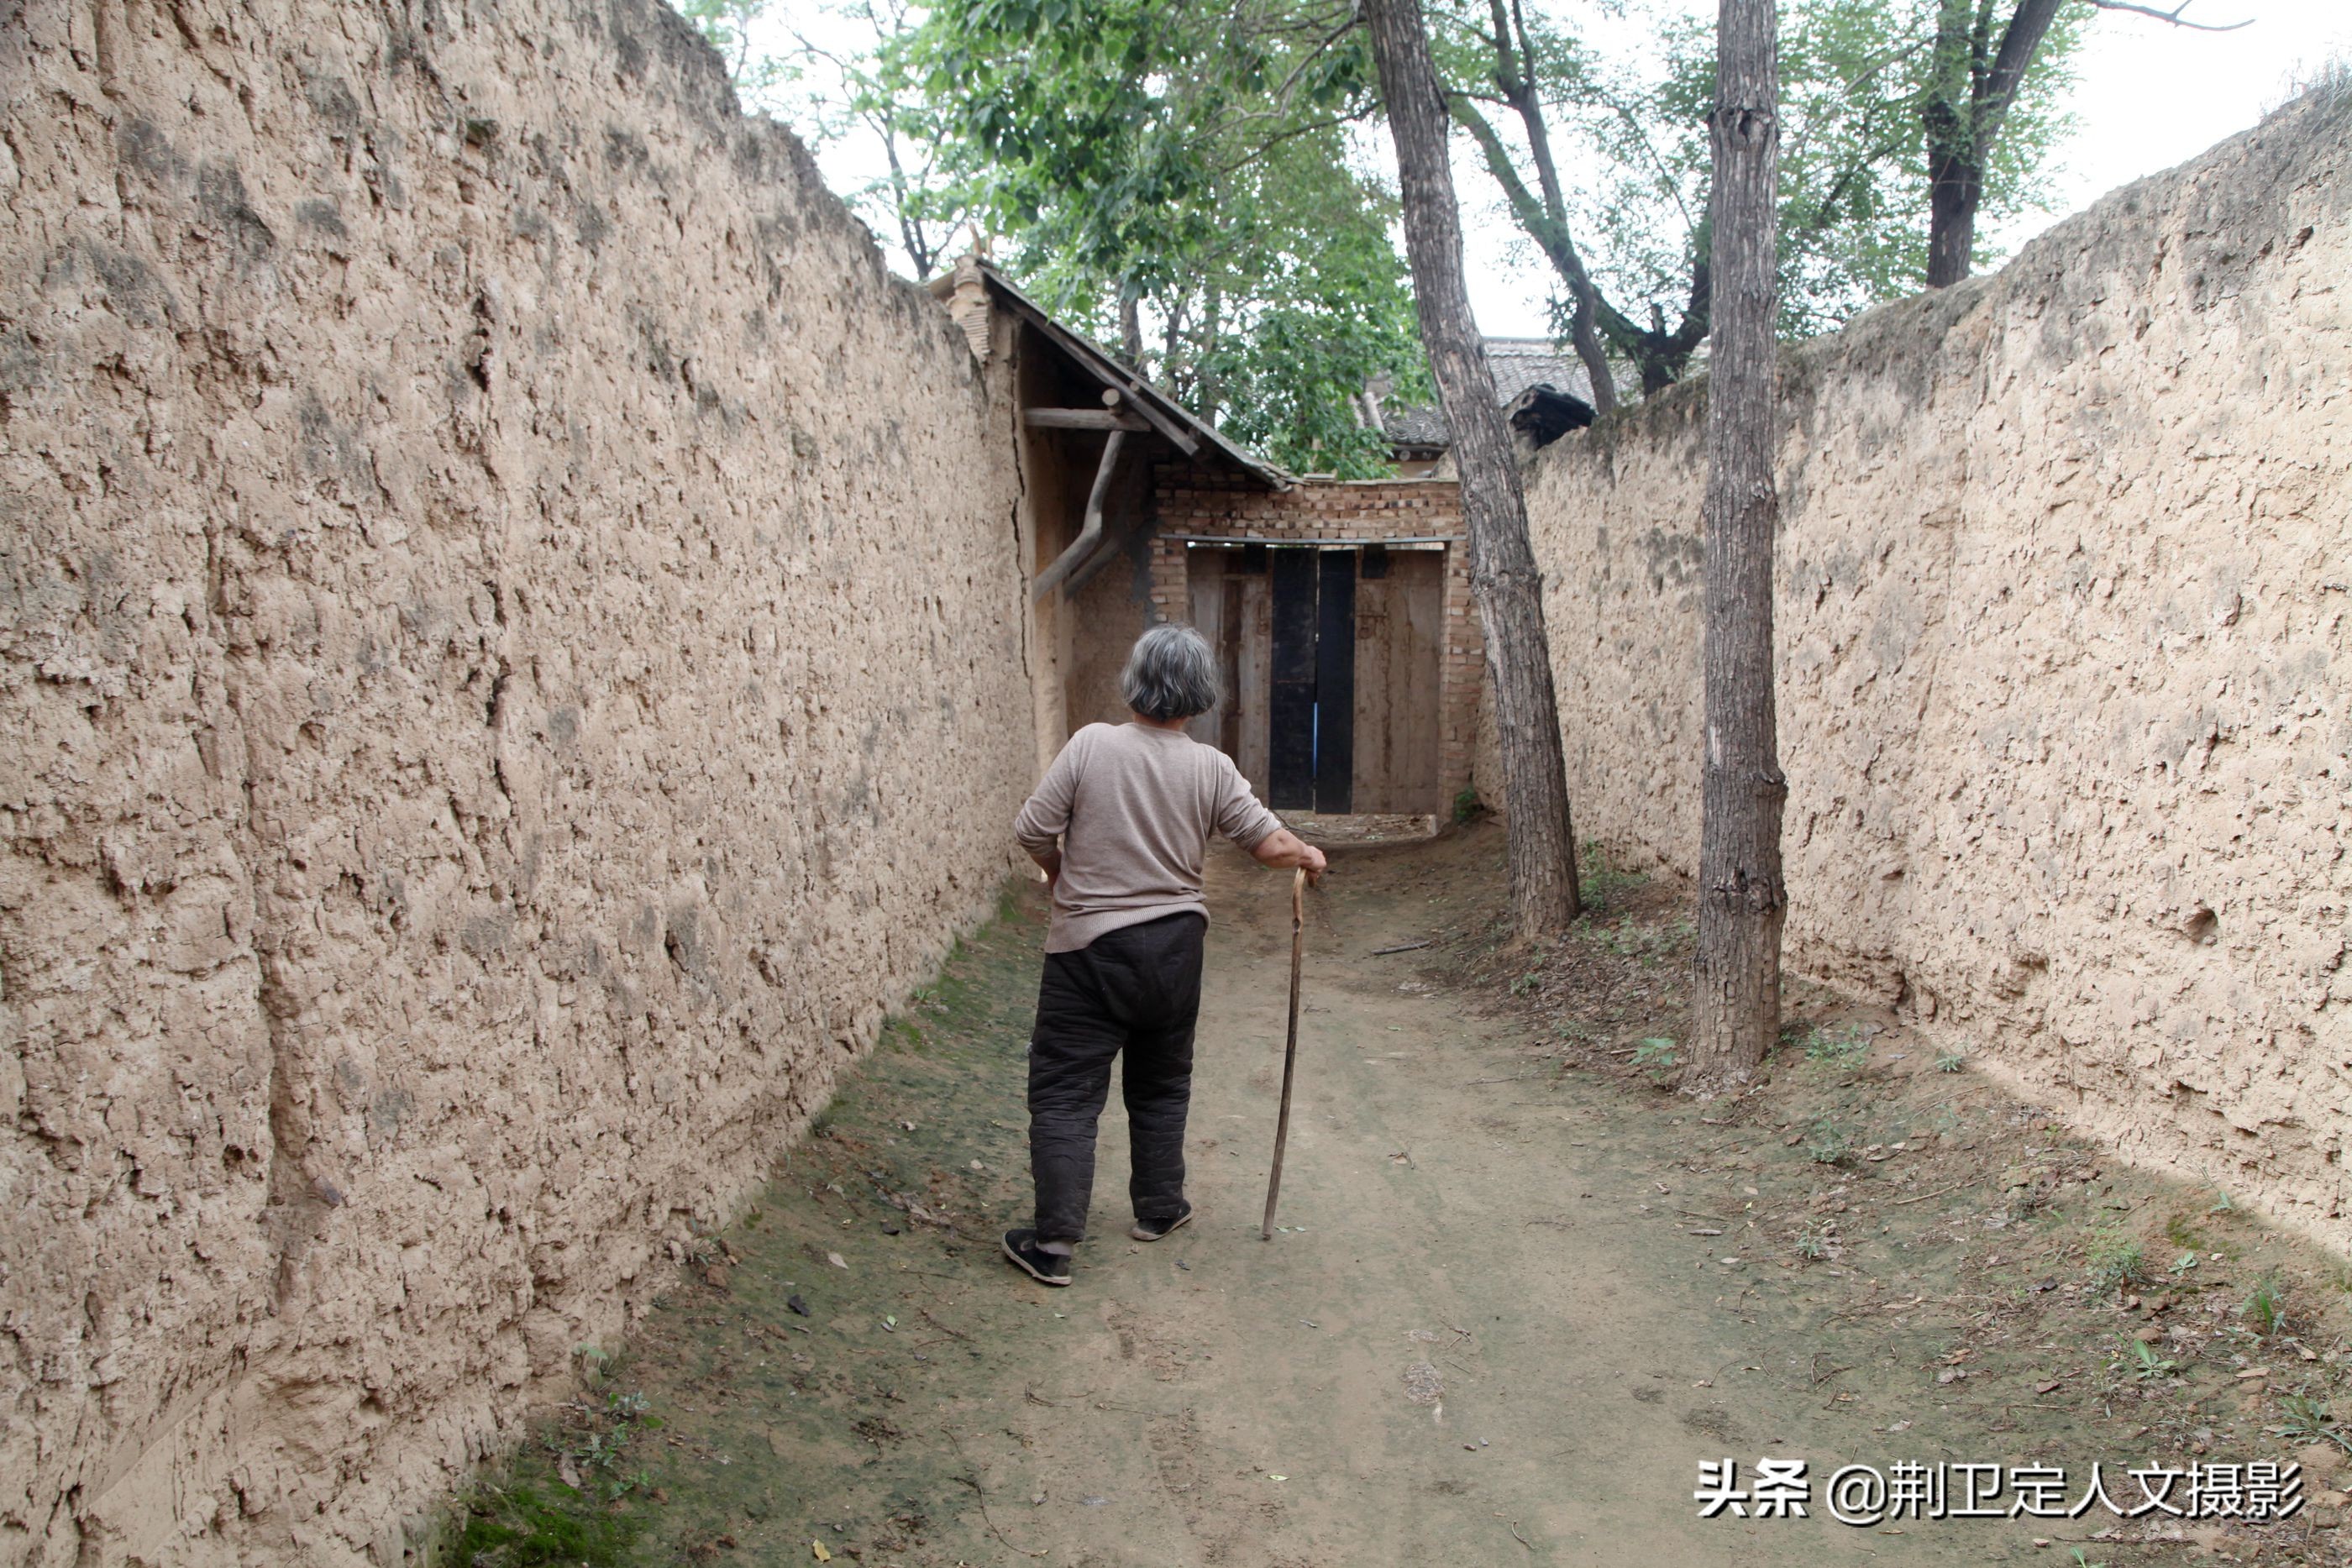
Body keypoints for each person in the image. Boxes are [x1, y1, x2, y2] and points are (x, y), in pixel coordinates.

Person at [1004, 624, 1327, 1286]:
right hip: (1177, 948)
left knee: (1066, 1092)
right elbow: (1269, 845)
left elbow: (1032, 828)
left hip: (1089, 952)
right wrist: (1310, 855)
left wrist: (1060, 872)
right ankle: (1159, 1206)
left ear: (1134, 682)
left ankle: (1055, 1243)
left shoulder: (1091, 745)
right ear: (1199, 694)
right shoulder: (1209, 766)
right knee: (1161, 1082)